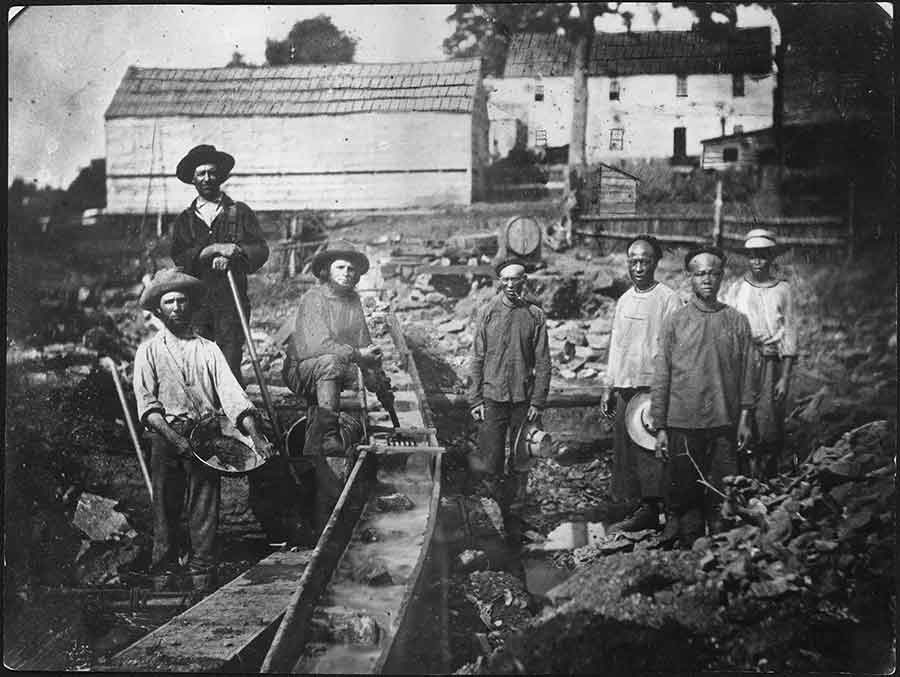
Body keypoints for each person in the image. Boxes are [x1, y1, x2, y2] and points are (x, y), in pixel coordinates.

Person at [133, 268, 275, 588]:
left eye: (182, 301)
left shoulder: (208, 349)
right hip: (166, 435)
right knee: (166, 504)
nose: (177, 308)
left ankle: (201, 568)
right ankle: (165, 567)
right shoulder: (149, 351)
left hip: (205, 436)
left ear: (191, 306)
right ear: (158, 309)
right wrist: (173, 438)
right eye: (169, 302)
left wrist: (257, 437)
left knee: (205, 503)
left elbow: (233, 397)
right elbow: (147, 406)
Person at [281, 240, 392, 528]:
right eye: (341, 267)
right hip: (303, 367)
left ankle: (329, 512)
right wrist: (358, 355)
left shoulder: (353, 301)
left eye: (353, 270)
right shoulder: (313, 299)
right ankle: (328, 431)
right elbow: (318, 345)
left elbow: (364, 342)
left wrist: (376, 375)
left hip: (335, 367)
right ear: (326, 271)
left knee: (352, 369)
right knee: (330, 361)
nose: (348, 273)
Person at [651, 246, 757, 547]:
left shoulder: (736, 321)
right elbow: (662, 375)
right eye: (700, 274)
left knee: (723, 493)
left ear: (722, 276)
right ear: (690, 278)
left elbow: (748, 373)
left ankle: (721, 556)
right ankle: (689, 554)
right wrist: (660, 428)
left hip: (724, 423)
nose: (707, 279)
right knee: (685, 495)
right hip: (683, 424)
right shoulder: (676, 321)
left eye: (713, 273)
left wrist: (745, 419)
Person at [602, 235, 682, 532]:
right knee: (627, 450)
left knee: (653, 447)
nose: (638, 267)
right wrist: (608, 387)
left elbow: (674, 349)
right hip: (625, 385)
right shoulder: (624, 300)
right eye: (633, 261)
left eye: (644, 261)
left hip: (652, 388)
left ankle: (664, 510)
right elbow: (617, 346)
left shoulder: (668, 299)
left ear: (655, 262)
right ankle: (641, 509)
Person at [170, 144, 269, 384]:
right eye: (201, 173)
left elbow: (260, 249)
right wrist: (211, 250)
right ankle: (205, 418)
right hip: (196, 303)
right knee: (199, 362)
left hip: (231, 300)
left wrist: (235, 253)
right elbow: (180, 258)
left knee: (230, 361)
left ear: (221, 176)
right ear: (193, 179)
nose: (207, 178)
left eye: (212, 173)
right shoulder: (185, 220)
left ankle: (234, 417)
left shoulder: (239, 212)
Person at [469, 258, 551, 540]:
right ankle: (495, 520)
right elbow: (477, 357)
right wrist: (475, 399)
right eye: (505, 280)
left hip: (522, 400)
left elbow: (544, 363)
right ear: (499, 282)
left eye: (516, 279)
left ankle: (515, 517)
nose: (510, 285)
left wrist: (537, 402)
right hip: (492, 397)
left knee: (520, 460)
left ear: (524, 280)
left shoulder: (535, 315)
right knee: (491, 459)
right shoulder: (487, 312)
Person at [723, 229, 797, 478]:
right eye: (752, 256)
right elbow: (729, 327)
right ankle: (743, 477)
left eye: (762, 256)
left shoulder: (783, 290)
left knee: (769, 419)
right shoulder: (737, 289)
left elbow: (789, 333)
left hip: (770, 361)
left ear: (771, 258)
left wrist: (784, 377)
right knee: (743, 414)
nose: (757, 261)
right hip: (743, 360)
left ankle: (768, 478)